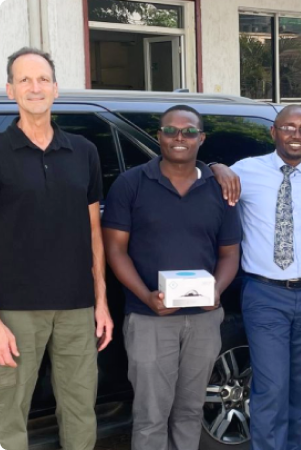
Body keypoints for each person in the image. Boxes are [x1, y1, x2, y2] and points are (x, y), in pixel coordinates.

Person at [211, 104, 301, 450]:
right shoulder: (246, 171)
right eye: (288, 128)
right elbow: (205, 184)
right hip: (264, 295)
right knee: (271, 386)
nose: (296, 135)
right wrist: (215, 167)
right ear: (273, 132)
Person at [102, 105, 242, 450]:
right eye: (170, 131)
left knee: (190, 411)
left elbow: (229, 253)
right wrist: (145, 294)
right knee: (151, 415)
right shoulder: (131, 184)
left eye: (189, 131)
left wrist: (216, 291)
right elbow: (115, 251)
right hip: (150, 317)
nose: (180, 138)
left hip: (204, 320)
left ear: (201, 138)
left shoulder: (220, 190)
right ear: (158, 136)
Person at [0, 47, 113, 450]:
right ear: (10, 89)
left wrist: (100, 300)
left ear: (56, 88)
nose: (35, 87)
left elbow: (94, 232)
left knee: (81, 408)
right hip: (13, 311)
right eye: (25, 80)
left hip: (76, 308)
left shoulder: (83, 151)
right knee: (8, 415)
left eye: (43, 79)